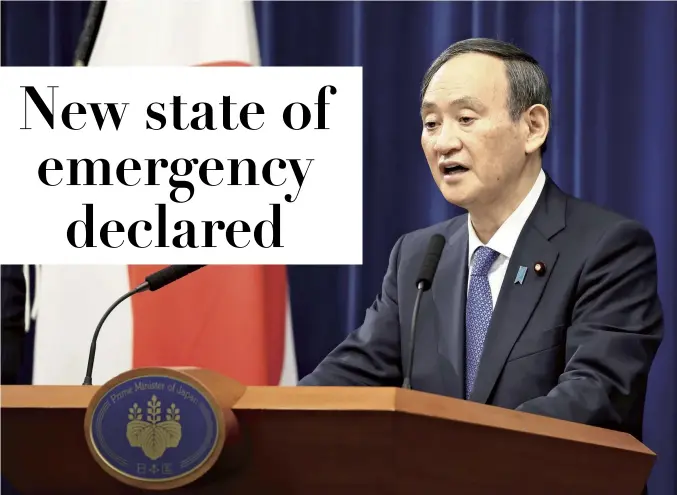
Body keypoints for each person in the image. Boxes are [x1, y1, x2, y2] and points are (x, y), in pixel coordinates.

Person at [298, 38, 664, 441]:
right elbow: (347, 378)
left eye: (466, 119)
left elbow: (595, 397)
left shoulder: (607, 248)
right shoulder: (420, 258)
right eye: (431, 123)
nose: (443, 142)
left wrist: (456, 457)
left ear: (533, 127)